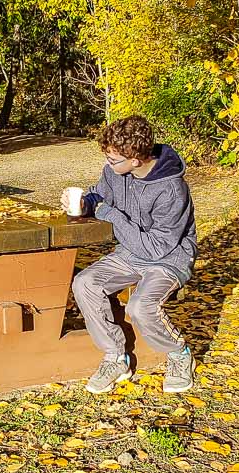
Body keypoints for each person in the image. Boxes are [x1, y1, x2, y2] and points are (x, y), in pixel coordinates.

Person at [63, 116, 198, 394]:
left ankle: (179, 354)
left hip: (168, 259)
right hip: (130, 252)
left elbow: (156, 248)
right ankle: (116, 357)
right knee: (85, 283)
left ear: (136, 160)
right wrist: (83, 203)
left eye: (114, 160)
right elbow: (99, 196)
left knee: (140, 307)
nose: (108, 165)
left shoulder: (172, 190)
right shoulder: (115, 172)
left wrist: (107, 212)